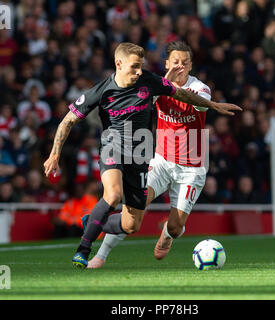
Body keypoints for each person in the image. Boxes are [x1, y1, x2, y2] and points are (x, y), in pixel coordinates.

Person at [43, 42, 241, 269]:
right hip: (160, 159)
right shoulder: (146, 83)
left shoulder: (198, 87)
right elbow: (140, 98)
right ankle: (98, 254)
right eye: (175, 62)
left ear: (191, 65)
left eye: (185, 63)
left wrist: (214, 105)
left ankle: (156, 233)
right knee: (120, 200)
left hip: (191, 164)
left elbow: (197, 104)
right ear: (167, 64)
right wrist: (54, 154)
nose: (180, 67)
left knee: (162, 226)